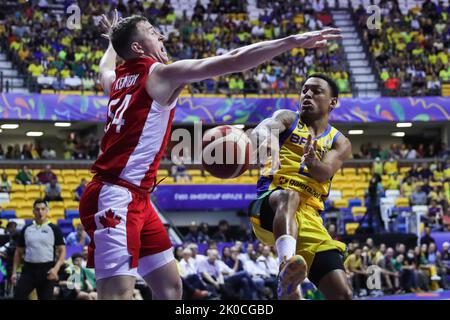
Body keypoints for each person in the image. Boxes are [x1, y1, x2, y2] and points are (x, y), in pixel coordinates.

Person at [79, 9, 342, 300]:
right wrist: (291, 41)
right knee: (116, 294)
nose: (162, 35)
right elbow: (232, 60)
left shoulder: (118, 80)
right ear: (139, 48)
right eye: (154, 32)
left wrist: (110, 44)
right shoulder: (159, 74)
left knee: (170, 288)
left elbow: (103, 70)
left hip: (137, 198)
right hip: (116, 195)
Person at [248, 74, 353, 300]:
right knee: (289, 197)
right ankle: (285, 272)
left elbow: (325, 172)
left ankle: (290, 286)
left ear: (332, 101)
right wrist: (270, 142)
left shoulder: (339, 141)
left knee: (343, 294)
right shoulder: (287, 118)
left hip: (310, 218)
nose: (307, 95)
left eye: (316, 91)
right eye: (304, 90)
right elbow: (262, 129)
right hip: (272, 203)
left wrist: (313, 161)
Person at [11, 200, 66, 300]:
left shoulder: (54, 228)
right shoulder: (26, 228)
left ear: (47, 211)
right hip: (28, 270)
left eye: (43, 209)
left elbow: (62, 251)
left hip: (47, 270)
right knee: (18, 297)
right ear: (33, 211)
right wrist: (14, 272)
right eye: (37, 209)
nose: (40, 211)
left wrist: (56, 269)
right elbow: (18, 252)